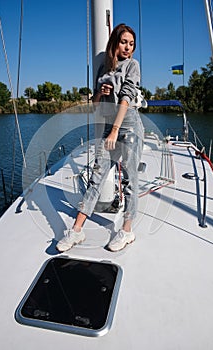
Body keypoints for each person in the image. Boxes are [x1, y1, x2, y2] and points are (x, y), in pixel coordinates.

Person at [56, 23, 144, 252]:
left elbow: (126, 98)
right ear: (115, 42)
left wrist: (115, 130)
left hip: (129, 128)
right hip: (108, 126)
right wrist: (99, 93)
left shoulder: (133, 66)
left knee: (130, 180)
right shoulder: (103, 69)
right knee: (97, 177)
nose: (128, 47)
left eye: (131, 44)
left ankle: (126, 231)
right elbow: (95, 105)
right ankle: (76, 231)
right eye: (124, 42)